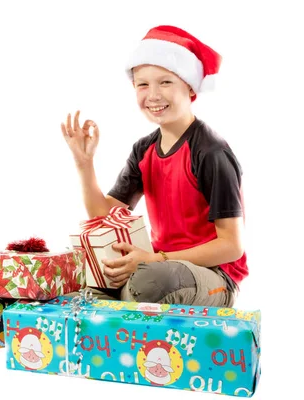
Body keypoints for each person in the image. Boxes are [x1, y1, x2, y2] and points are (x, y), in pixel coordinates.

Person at [61, 25, 247, 307]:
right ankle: (111, 297)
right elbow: (103, 213)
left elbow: (232, 246)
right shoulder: (144, 150)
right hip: (157, 266)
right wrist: (84, 163)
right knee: (80, 279)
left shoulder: (211, 152)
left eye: (166, 82)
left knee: (148, 282)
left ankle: (112, 298)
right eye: (143, 84)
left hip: (214, 279)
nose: (154, 95)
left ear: (190, 87)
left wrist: (153, 260)